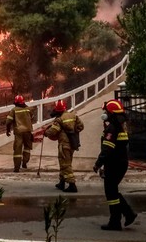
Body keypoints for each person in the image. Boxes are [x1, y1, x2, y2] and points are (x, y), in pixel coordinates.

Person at [93, 99, 137, 231]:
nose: (104, 114)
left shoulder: (112, 129)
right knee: (113, 191)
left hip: (114, 164)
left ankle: (115, 221)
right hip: (120, 163)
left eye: (106, 111)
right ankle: (128, 214)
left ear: (110, 113)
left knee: (111, 193)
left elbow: (107, 150)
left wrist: (98, 164)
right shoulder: (120, 127)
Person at [44, 99, 83, 193]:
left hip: (64, 144)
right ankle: (62, 182)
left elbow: (53, 131)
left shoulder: (59, 120)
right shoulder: (73, 116)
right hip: (73, 144)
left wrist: (45, 133)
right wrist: (73, 131)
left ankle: (72, 185)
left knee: (65, 164)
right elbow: (81, 126)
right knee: (65, 162)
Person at [5, 95, 33, 172]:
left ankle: (16, 167)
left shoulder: (14, 110)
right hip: (28, 131)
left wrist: (7, 130)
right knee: (27, 148)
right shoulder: (28, 109)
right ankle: (25, 162)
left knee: (17, 149)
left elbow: (8, 121)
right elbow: (32, 117)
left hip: (19, 132)